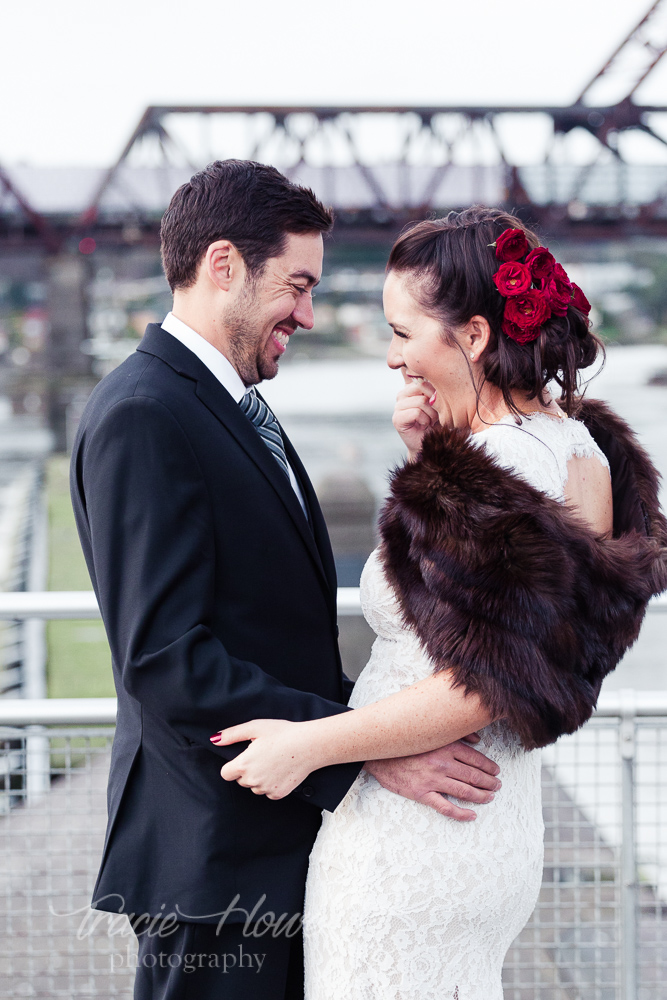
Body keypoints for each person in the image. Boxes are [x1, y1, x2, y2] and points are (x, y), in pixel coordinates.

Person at [69, 164, 501, 1000]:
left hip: (267, 842)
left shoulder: (226, 407)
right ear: (223, 264)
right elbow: (166, 660)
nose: (307, 314)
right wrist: (362, 755)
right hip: (211, 861)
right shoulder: (144, 414)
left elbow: (274, 636)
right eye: (297, 286)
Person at [213, 207, 667, 999]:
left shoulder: (500, 457)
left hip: (416, 837)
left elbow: (484, 679)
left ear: (475, 337)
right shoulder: (570, 447)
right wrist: (432, 463)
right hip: (486, 823)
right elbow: (509, 610)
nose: (391, 357)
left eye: (402, 331)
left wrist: (314, 744)